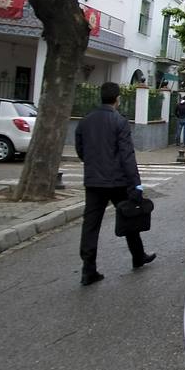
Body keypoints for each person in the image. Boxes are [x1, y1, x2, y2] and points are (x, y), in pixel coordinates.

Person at [75, 81, 154, 285]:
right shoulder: (120, 122)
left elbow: (80, 150)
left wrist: (93, 166)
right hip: (117, 180)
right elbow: (127, 156)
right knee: (129, 217)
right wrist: (136, 184)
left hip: (94, 182)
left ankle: (88, 270)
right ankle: (138, 256)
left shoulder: (85, 121)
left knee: (90, 225)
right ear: (117, 99)